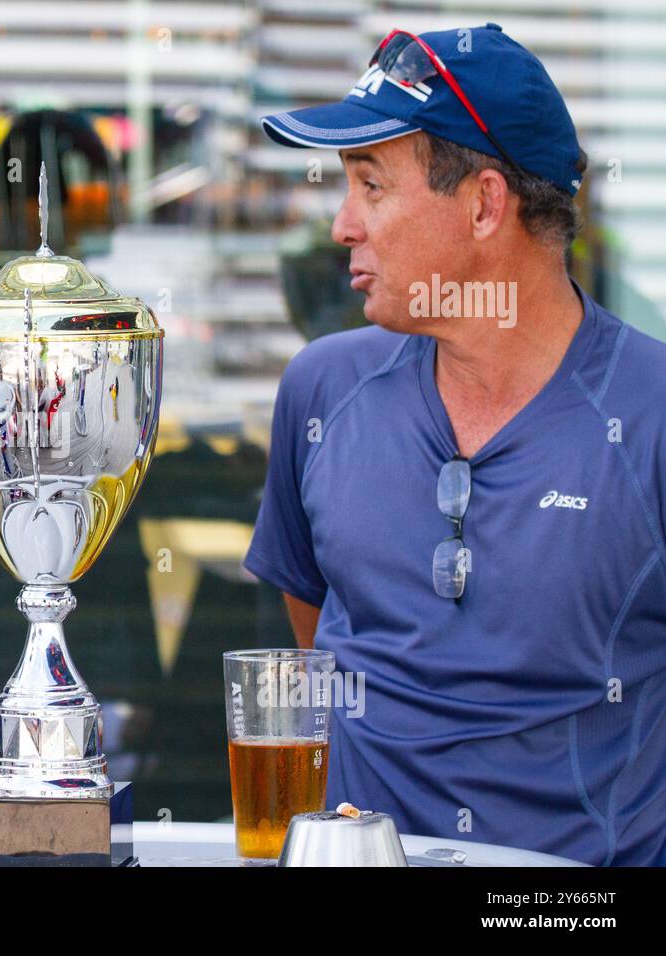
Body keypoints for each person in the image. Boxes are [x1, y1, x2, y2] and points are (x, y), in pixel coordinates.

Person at [247, 22, 666, 865]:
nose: (341, 226)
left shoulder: (650, 415)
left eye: (370, 186)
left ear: (483, 203)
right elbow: (318, 644)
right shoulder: (321, 392)